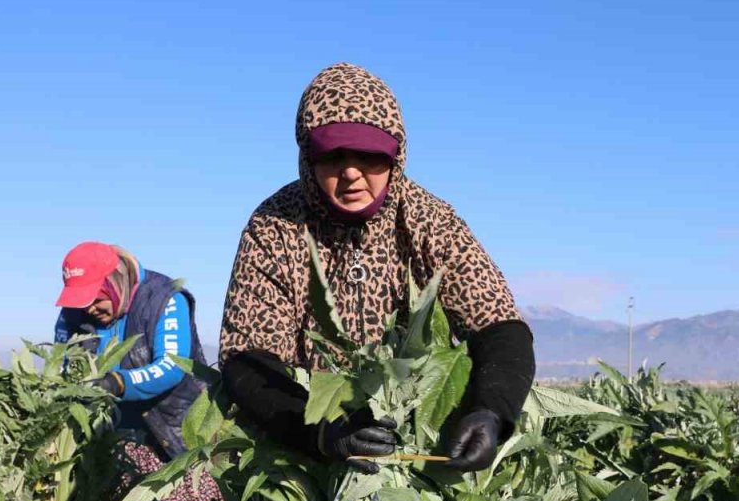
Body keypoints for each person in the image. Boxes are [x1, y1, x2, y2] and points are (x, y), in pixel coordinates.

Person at [218, 63, 536, 473]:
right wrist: (318, 429)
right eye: (332, 155)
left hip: (412, 443)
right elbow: (248, 358)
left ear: (395, 155)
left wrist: (492, 411)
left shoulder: (429, 221)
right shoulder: (276, 225)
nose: (350, 173)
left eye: (369, 156)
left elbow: (499, 326)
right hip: (300, 445)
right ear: (307, 155)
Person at [53, 241, 221, 501]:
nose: (90, 309)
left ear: (114, 284)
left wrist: (118, 383)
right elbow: (62, 366)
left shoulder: (164, 299)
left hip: (175, 432)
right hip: (113, 441)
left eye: (96, 299)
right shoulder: (75, 313)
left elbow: (171, 367)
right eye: (82, 301)